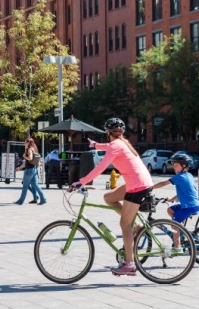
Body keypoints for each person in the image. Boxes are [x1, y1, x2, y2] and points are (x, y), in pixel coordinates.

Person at [72, 117, 154, 277]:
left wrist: (81, 181)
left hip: (138, 186)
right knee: (109, 197)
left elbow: (101, 166)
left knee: (124, 224)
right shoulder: (121, 143)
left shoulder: (116, 145)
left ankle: (129, 264)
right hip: (138, 182)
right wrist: (95, 145)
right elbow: (108, 146)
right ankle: (136, 227)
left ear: (108, 133)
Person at [152, 154, 199, 253]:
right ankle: (181, 231)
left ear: (184, 166)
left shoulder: (180, 177)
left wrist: (150, 188)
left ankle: (177, 247)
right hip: (190, 205)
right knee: (170, 210)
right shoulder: (188, 175)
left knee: (173, 224)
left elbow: (164, 183)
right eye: (173, 165)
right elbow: (185, 191)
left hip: (188, 207)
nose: (174, 167)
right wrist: (171, 199)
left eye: (176, 165)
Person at [14, 138, 46, 205]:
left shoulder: (29, 149)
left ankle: (20, 201)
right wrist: (19, 168)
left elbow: (30, 158)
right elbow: (27, 162)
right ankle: (43, 199)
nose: (24, 143)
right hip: (34, 169)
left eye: (25, 142)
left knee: (25, 186)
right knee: (36, 185)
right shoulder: (34, 149)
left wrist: (24, 156)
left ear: (29, 143)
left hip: (29, 170)